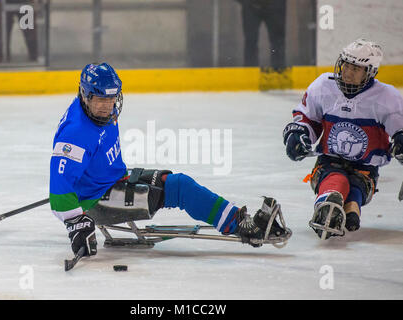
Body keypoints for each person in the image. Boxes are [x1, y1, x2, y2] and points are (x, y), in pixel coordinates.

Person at [49, 63, 291, 256]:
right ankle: (241, 226)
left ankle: (234, 217)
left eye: (112, 99)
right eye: (101, 100)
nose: (107, 106)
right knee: (180, 187)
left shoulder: (96, 109)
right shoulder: (75, 134)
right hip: (96, 200)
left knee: (167, 179)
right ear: (85, 95)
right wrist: (76, 221)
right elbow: (59, 191)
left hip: (108, 179)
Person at [282, 39, 403, 240]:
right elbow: (307, 118)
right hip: (329, 161)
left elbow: (400, 131)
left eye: (356, 68)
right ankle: (331, 203)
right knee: (335, 177)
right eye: (346, 65)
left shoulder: (386, 97)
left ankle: (339, 206)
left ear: (370, 72)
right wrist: (299, 134)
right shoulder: (323, 85)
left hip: (366, 169)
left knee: (355, 186)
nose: (347, 72)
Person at [236, 0, 287, 69]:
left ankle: (279, 73)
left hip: (274, 6)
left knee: (277, 42)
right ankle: (250, 74)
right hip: (252, 6)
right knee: (251, 41)